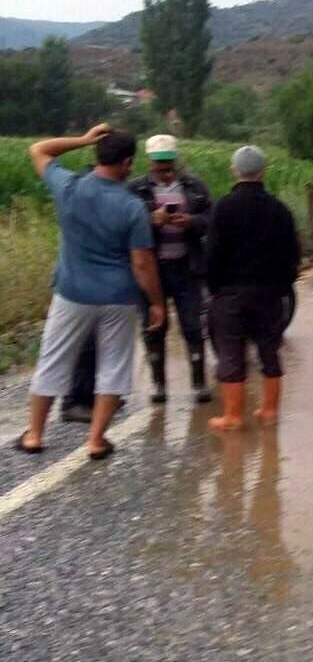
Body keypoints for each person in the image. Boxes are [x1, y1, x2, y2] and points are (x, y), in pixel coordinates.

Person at [16, 125, 164, 460]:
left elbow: (39, 148)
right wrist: (156, 303)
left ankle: (35, 435)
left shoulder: (69, 186)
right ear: (127, 162)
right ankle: (96, 440)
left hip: (72, 293)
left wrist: (83, 139)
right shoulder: (132, 207)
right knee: (114, 366)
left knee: (53, 360)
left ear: (97, 154)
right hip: (118, 297)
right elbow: (142, 263)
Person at [206, 146, 301, 431]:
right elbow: (292, 255)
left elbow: (213, 254)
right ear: (263, 171)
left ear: (235, 170)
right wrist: (282, 287)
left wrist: (216, 289)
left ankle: (233, 416)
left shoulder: (223, 207)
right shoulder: (279, 209)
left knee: (231, 352)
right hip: (270, 292)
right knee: (269, 350)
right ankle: (269, 411)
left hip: (231, 292)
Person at [128, 135, 213, 404]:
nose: (165, 172)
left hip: (186, 265)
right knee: (154, 326)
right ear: (150, 163)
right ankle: (158, 384)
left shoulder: (194, 186)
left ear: (175, 161)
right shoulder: (135, 190)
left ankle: (199, 384)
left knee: (192, 325)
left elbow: (212, 218)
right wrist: (151, 220)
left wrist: (192, 221)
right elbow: (124, 223)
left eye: (169, 166)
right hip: (152, 269)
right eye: (159, 166)